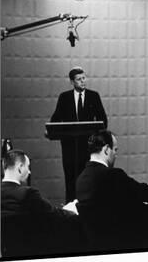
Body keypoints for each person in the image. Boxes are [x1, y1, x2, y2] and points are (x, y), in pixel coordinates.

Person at [75, 130, 148, 250]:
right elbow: (145, 194)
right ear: (106, 149)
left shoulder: (81, 179)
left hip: (99, 243)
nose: (116, 155)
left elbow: (126, 194)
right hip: (125, 240)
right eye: (115, 150)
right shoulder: (112, 175)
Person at [50, 67, 108, 202]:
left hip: (89, 147)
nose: (83, 81)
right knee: (71, 179)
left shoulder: (94, 96)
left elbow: (103, 120)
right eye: (79, 79)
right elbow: (55, 120)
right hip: (70, 147)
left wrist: (97, 139)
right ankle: (71, 208)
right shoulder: (64, 97)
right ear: (72, 82)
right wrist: (51, 131)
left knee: (89, 179)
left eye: (84, 78)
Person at [1, 149, 77, 217]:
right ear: (20, 167)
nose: (29, 172)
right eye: (28, 166)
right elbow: (53, 214)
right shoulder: (28, 194)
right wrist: (70, 210)